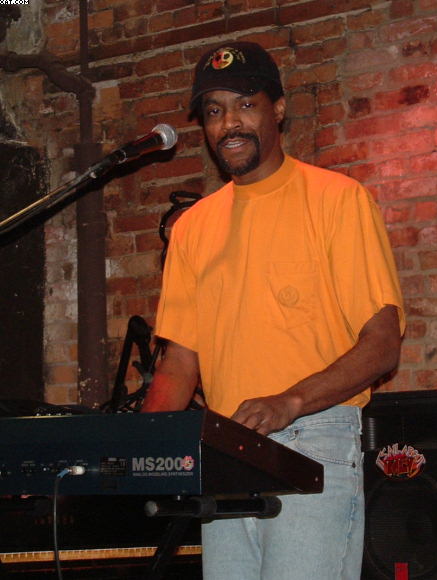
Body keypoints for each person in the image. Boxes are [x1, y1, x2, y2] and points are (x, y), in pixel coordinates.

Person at [142, 41, 404, 580]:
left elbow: (382, 344)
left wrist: (291, 401)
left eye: (245, 104)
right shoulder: (193, 228)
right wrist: (139, 450)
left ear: (278, 109)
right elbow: (179, 364)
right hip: (224, 449)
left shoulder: (337, 199)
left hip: (314, 436)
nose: (229, 124)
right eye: (214, 111)